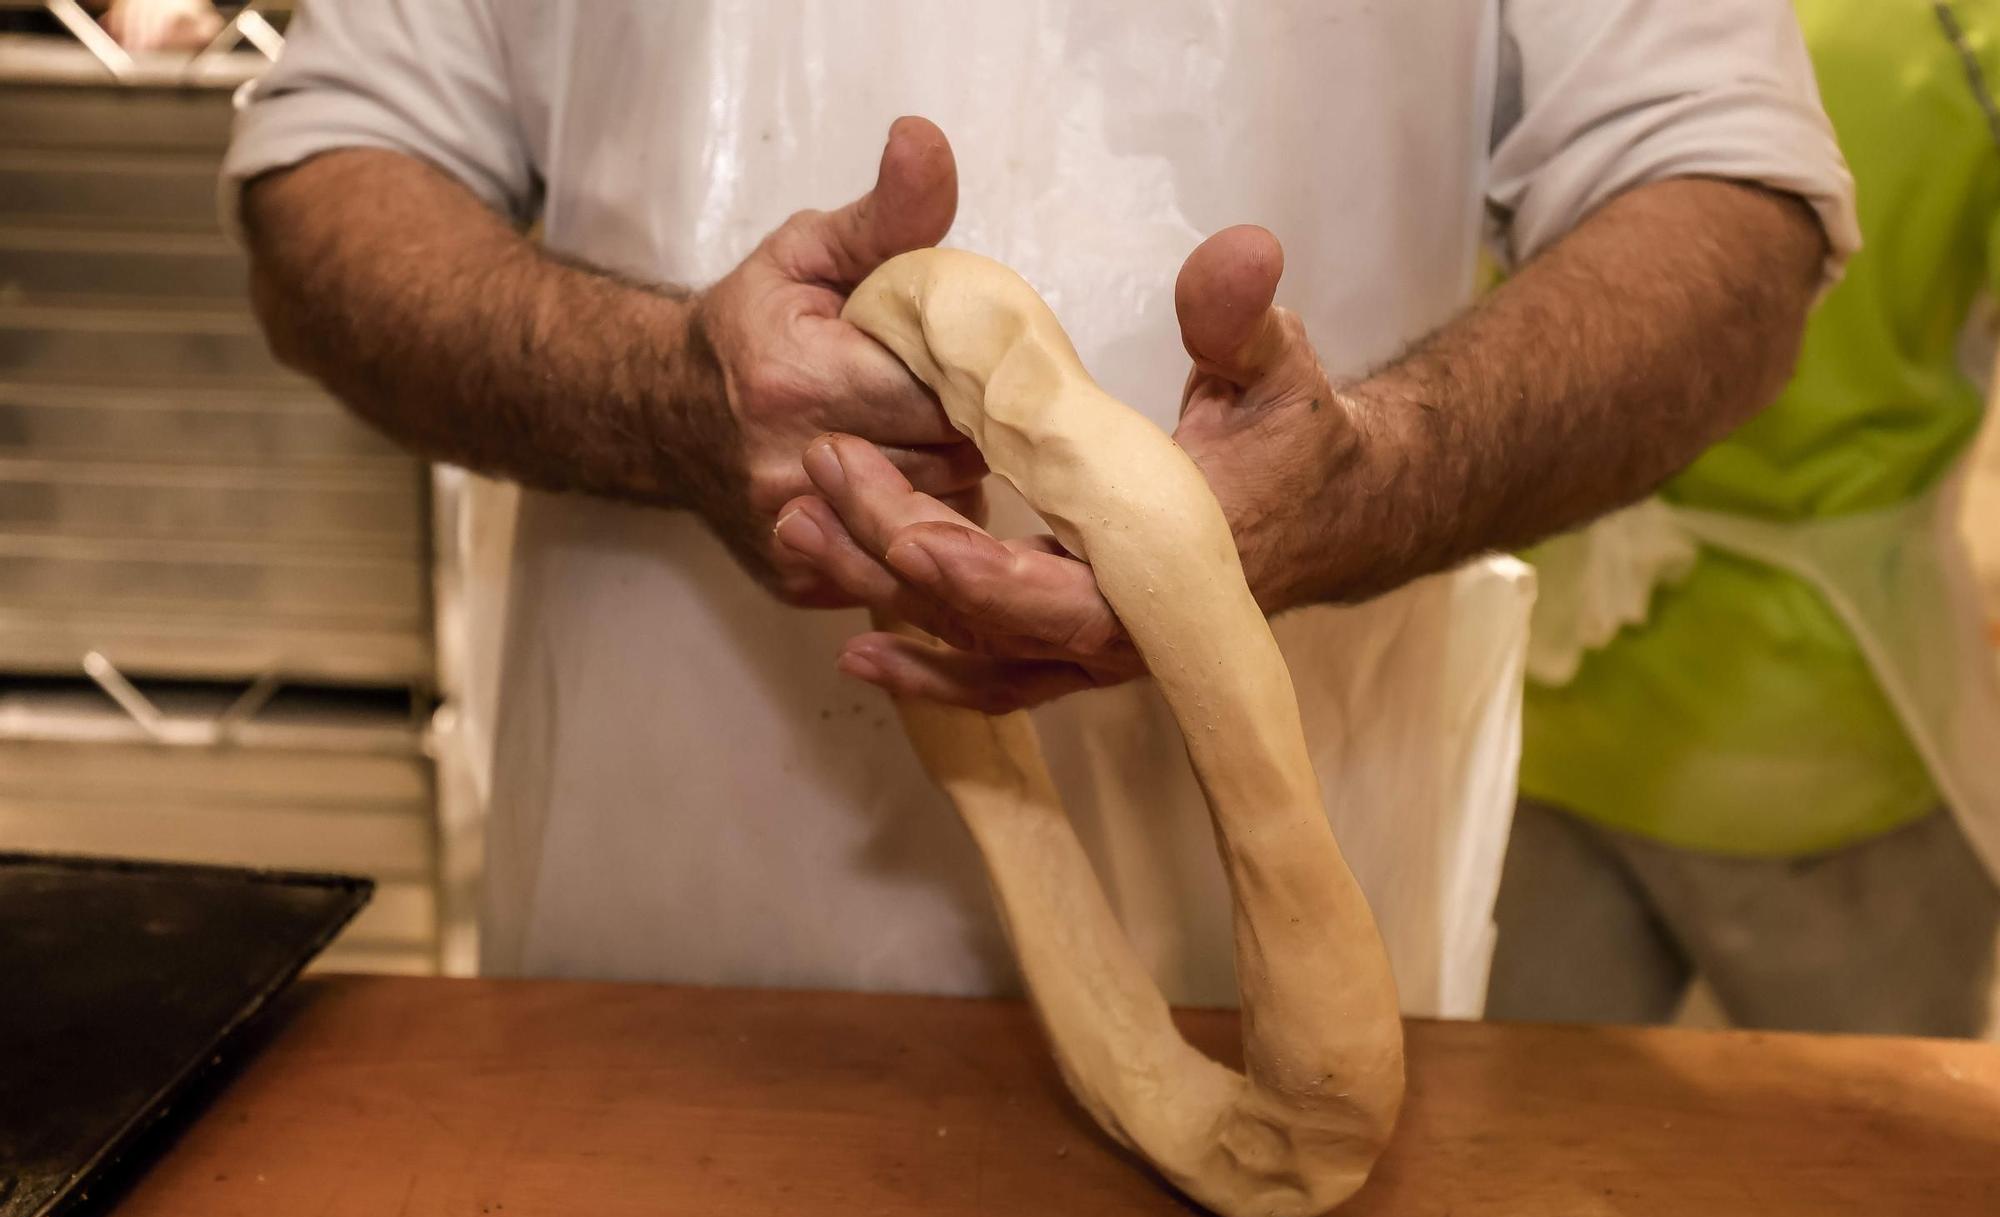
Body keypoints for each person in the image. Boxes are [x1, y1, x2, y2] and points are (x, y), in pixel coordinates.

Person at [225, 2, 1854, 1002]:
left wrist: (1381, 472)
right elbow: (331, 179)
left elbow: (1731, 205)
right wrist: (656, 394)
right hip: (647, 960)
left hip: (1266, 967)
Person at [1487, 0, 2000, 1037]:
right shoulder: (1959, 38)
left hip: (1552, 694)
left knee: (1510, 1152)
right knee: (1879, 1170)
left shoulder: (1565, 22)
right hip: (1820, 734)